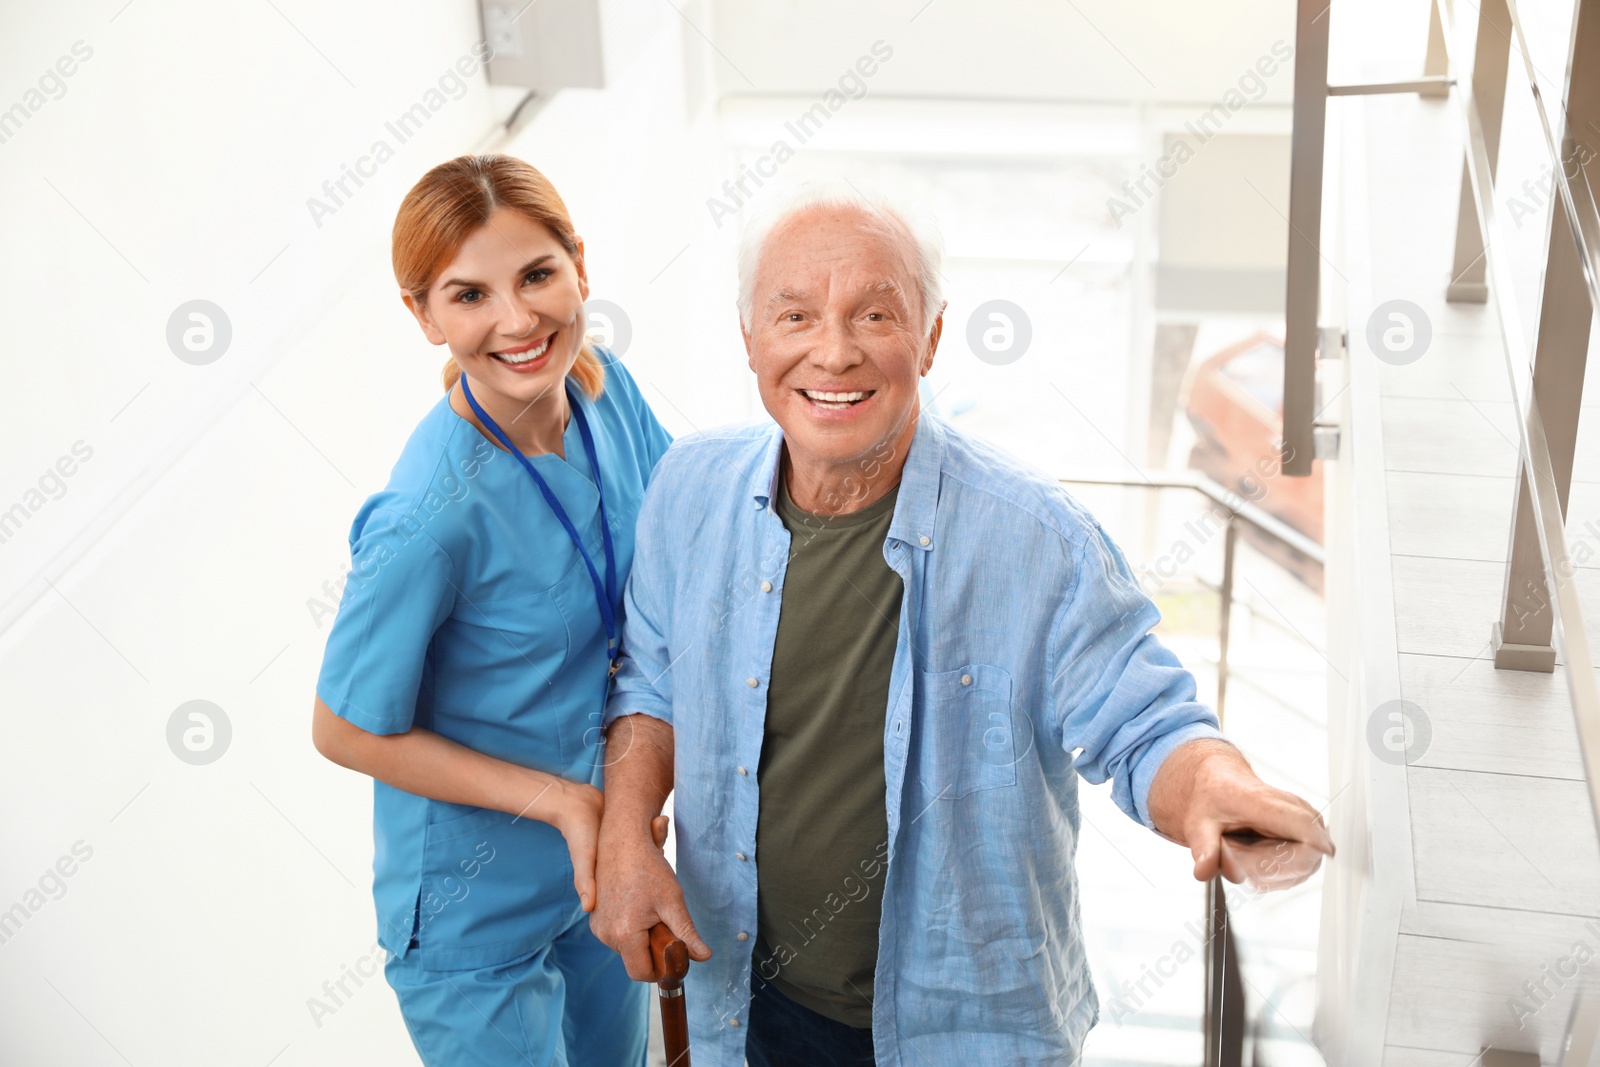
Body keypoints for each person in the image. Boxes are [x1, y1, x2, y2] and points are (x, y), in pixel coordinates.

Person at [588, 182, 1336, 1066]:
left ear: (932, 335)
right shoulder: (688, 488)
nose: (833, 353)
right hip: (746, 1007)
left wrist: (1212, 785)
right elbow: (652, 681)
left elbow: (1144, 721)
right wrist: (626, 832)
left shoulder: (1038, 538)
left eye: (874, 314)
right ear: (749, 337)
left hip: (963, 1033)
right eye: (795, 317)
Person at [310, 153, 671, 1066]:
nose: (518, 320)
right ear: (423, 315)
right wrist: (560, 803)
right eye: (469, 296)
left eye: (538, 275)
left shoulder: (606, 391)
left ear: (578, 265)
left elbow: (679, 558)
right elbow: (343, 729)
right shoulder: (426, 517)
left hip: (592, 872)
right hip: (476, 918)